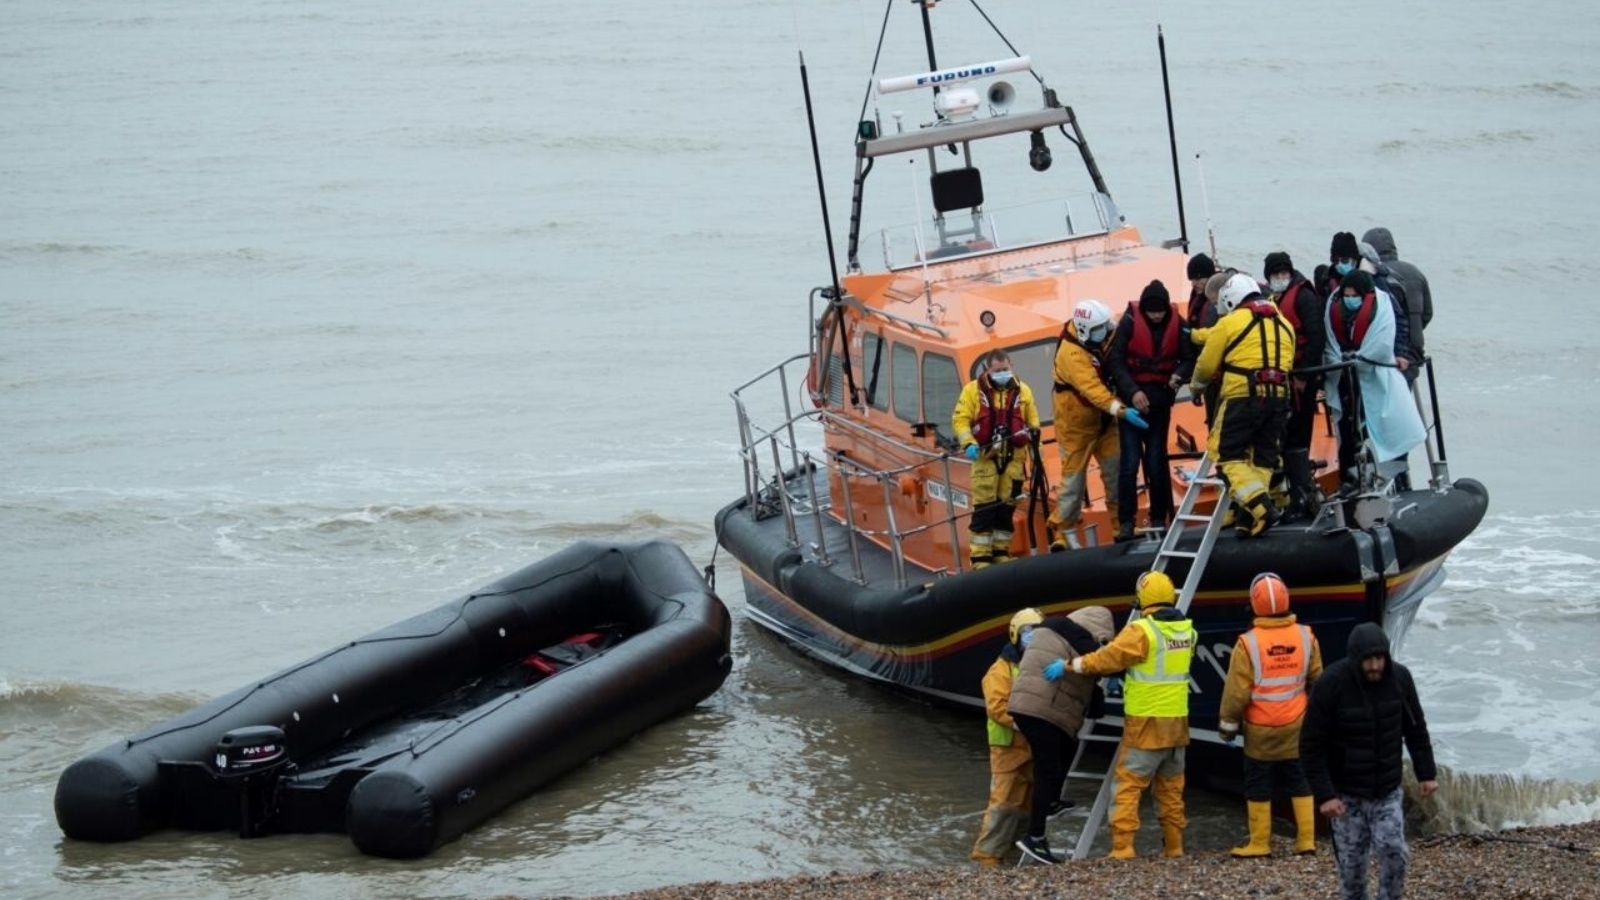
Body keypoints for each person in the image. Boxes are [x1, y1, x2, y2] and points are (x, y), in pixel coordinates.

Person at [1052, 571, 1193, 859]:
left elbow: (1105, 659)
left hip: (1146, 723)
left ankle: (1123, 847)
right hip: (1178, 724)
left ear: (1143, 599)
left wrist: (1069, 666)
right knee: (1170, 789)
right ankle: (1175, 846)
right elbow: (1159, 665)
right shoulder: (1188, 632)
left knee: (1128, 785)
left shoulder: (1141, 631)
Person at [1299, 622, 1439, 900]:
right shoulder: (1330, 684)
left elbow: (1415, 728)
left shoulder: (1400, 678)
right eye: (1368, 660)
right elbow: (1310, 745)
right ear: (1355, 659)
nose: (1375, 666)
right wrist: (1325, 795)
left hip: (1386, 791)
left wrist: (1426, 773)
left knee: (1394, 853)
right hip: (1345, 797)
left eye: (1380, 658)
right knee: (1352, 871)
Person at [1219, 573, 1324, 858]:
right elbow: (1318, 679)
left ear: (1255, 603)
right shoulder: (1306, 636)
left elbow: (1236, 693)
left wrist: (1227, 727)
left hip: (1260, 729)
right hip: (1296, 724)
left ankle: (1260, 843)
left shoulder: (1247, 643)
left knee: (1257, 783)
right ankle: (1306, 841)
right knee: (1299, 778)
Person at [1189, 272, 1296, 538]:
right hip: (1279, 397)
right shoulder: (1284, 323)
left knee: (1226, 456)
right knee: (1262, 457)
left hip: (1242, 396)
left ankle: (1260, 507)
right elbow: (1289, 362)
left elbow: (1206, 364)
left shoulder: (1231, 322)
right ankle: (1251, 516)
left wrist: (1196, 387)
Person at [1007, 605, 1116, 864]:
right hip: (1041, 710)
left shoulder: (1054, 628)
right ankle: (1034, 837)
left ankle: (1052, 802)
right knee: (1047, 769)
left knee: (1068, 746)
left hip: (1028, 707)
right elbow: (1107, 661)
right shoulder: (1077, 637)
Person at [1050, 299, 1148, 550]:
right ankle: (1063, 532)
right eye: (1100, 329)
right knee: (1073, 481)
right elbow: (1092, 389)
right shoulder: (1071, 354)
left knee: (1116, 473)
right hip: (1076, 426)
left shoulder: (1098, 338)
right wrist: (1122, 411)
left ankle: (1121, 526)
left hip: (1105, 422)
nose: (1105, 332)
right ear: (1085, 329)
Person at [1322, 271, 1426, 492]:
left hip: (1377, 374)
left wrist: (1401, 354)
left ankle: (1394, 478)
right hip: (1345, 376)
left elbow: (1391, 336)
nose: (1350, 298)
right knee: (1348, 429)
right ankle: (1353, 479)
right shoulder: (1334, 308)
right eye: (1346, 294)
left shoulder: (1383, 306)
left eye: (1354, 295)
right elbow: (1330, 341)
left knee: (1386, 423)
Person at [1107, 280, 1193, 541]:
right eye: (1151, 311)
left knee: (1157, 461)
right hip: (1132, 406)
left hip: (1160, 404)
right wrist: (1133, 392)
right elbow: (1115, 360)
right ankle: (1126, 523)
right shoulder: (1130, 322)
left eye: (1160, 311)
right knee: (1129, 463)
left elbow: (1191, 357)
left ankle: (1159, 517)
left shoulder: (1179, 323)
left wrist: (1178, 374)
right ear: (1143, 309)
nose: (1156, 315)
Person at [953, 350, 1042, 568]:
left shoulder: (1024, 391)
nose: (1002, 373)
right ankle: (981, 558)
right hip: (986, 460)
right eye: (997, 370)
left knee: (1007, 508)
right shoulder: (972, 391)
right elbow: (960, 420)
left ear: (1011, 366)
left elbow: (1033, 425)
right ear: (987, 370)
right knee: (985, 509)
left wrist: (1036, 457)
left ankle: (1000, 551)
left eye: (1005, 369)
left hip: (1014, 461)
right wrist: (969, 444)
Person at [971, 608, 1041, 866]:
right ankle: (988, 857)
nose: (1031, 637)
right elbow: (997, 707)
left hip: (1032, 746)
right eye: (1027, 632)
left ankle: (1017, 851)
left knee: (1029, 801)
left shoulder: (1037, 665)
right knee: (1003, 802)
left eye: (1036, 632)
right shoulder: (1000, 671)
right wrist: (1026, 725)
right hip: (1008, 746)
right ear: (1016, 635)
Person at [1263, 252, 1328, 521]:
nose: (1279, 278)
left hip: (1301, 378)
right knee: (1287, 437)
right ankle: (1298, 495)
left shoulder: (1303, 297)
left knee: (1296, 436)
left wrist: (1304, 376)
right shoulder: (1273, 298)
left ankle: (1302, 496)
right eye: (1275, 275)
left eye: (1283, 274)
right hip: (1283, 378)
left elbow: (1315, 336)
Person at [1361, 227, 1432, 382]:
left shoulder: (1377, 275)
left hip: (1393, 352)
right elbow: (1427, 313)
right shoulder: (1416, 272)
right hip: (1416, 349)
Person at [1184, 253, 1218, 330]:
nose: (1193, 284)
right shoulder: (1196, 294)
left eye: (1197, 279)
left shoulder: (1220, 300)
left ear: (1210, 277)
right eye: (1191, 280)